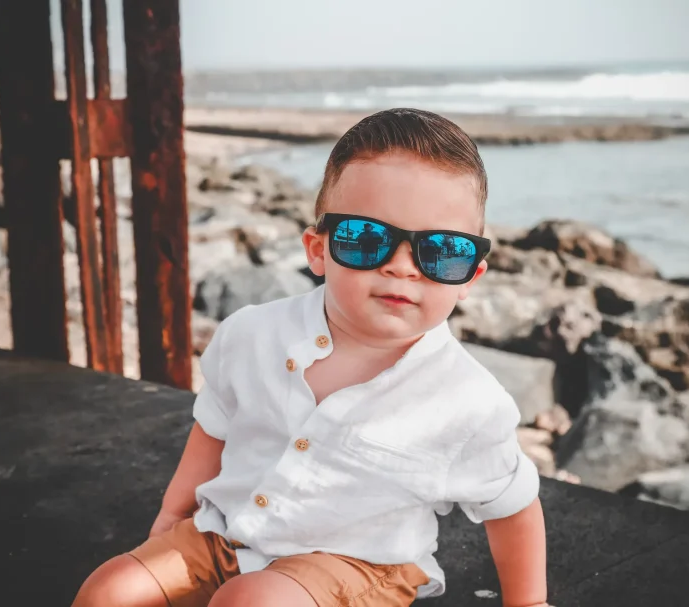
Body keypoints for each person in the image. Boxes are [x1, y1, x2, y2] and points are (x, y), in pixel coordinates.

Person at [71, 108, 548, 607]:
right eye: (366, 239)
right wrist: (173, 517)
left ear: (470, 276)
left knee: (251, 602)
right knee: (111, 592)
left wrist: (528, 602)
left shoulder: (466, 401)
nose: (403, 267)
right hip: (224, 532)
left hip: (361, 565)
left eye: (443, 250)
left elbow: (512, 506)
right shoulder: (252, 334)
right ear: (317, 250)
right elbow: (213, 426)